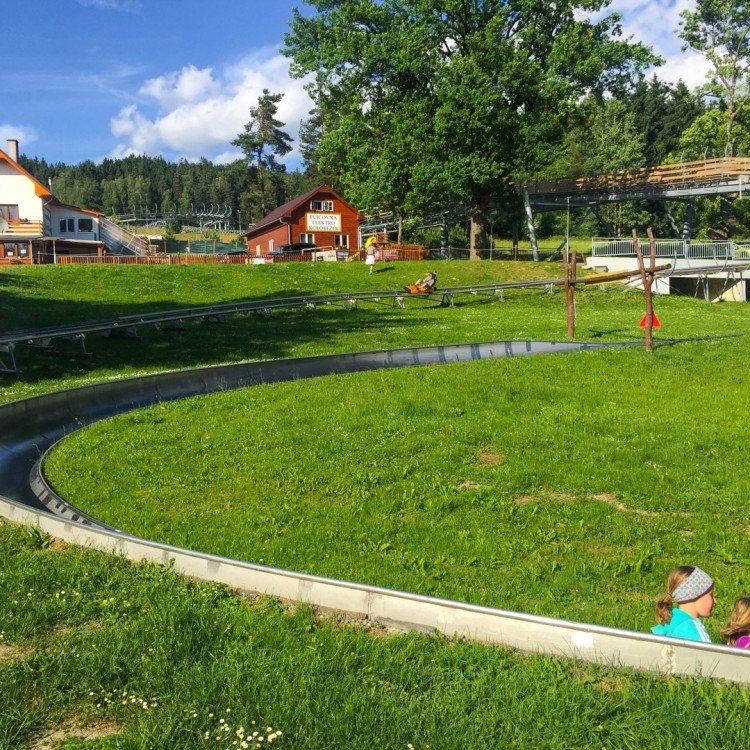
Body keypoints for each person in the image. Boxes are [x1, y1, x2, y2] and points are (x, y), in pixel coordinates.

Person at [651, 565, 715, 642]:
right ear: (695, 594)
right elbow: (708, 654)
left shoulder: (670, 624)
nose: (715, 601)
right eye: (710, 594)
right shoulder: (693, 631)